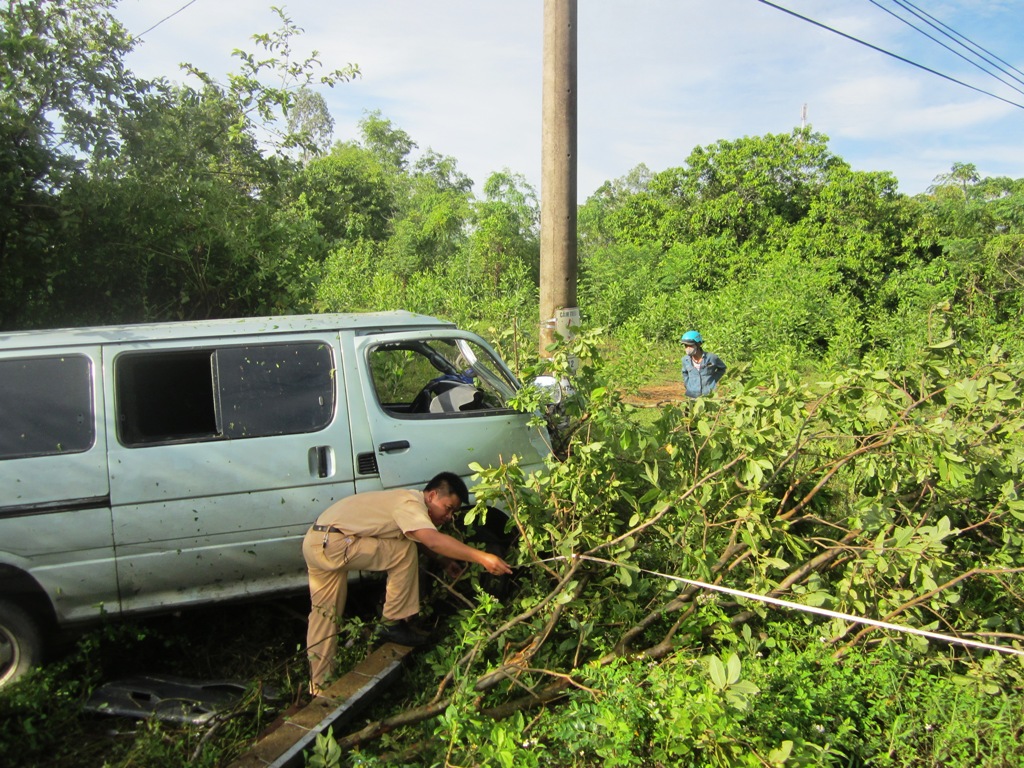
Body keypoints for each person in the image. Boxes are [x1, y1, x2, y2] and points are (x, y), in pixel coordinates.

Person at [302, 471, 512, 694]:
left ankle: (319, 686)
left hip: (316, 541)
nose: (449, 516)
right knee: (403, 551)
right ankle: (392, 623)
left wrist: (441, 560)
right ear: (431, 496)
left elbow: (419, 539)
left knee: (324, 614)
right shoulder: (411, 503)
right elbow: (431, 540)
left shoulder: (405, 503)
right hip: (335, 541)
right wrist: (483, 557)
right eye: (448, 508)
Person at [680, 330, 726, 398]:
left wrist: (713, 380)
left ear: (698, 344)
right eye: (686, 346)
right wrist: (688, 385)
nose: (688, 348)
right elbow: (684, 373)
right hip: (691, 394)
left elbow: (722, 368)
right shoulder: (685, 360)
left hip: (708, 394)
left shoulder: (712, 357)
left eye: (690, 346)